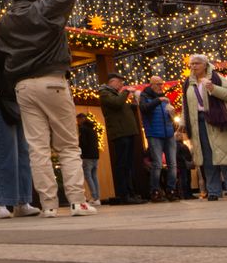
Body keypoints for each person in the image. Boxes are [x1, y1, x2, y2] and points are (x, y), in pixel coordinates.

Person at [0, 0, 97, 218]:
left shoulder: (4, 23)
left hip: (24, 86)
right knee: (68, 146)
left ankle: (49, 205)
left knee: (37, 148)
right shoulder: (46, 9)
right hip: (53, 81)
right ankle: (77, 201)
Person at [0, 31, 40, 219]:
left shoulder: (9, 48)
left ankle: (22, 201)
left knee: (22, 152)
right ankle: (1, 201)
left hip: (17, 102)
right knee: (6, 151)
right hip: (0, 103)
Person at [181, 54, 227, 201]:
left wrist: (213, 88)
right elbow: (186, 105)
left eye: (197, 63)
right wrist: (183, 124)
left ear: (205, 64)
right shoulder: (188, 83)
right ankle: (214, 191)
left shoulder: (216, 78)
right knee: (207, 157)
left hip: (218, 121)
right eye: (191, 64)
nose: (193, 66)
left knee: (225, 154)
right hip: (198, 122)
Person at [99, 74, 145, 205]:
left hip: (128, 131)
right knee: (122, 165)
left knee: (129, 164)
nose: (121, 85)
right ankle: (124, 194)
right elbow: (116, 104)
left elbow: (124, 108)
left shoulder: (116, 94)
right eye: (120, 82)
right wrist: (126, 92)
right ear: (112, 82)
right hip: (120, 133)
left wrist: (134, 102)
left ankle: (131, 193)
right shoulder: (105, 93)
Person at [139, 76, 178, 202]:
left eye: (162, 84)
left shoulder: (164, 98)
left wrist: (173, 118)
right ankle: (155, 191)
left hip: (169, 133)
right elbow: (144, 109)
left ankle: (171, 190)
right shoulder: (145, 96)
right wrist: (158, 100)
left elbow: (168, 116)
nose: (161, 86)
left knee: (173, 164)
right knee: (157, 164)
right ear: (152, 85)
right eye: (158, 84)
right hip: (154, 134)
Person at [76, 114, 101, 206]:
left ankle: (94, 197)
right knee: (94, 176)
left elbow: (83, 143)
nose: (77, 122)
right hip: (95, 155)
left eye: (78, 120)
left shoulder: (83, 129)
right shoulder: (92, 128)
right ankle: (97, 197)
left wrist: (80, 151)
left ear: (81, 119)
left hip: (87, 156)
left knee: (88, 176)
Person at [174, 128, 195, 199]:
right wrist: (185, 159)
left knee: (187, 179)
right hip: (182, 165)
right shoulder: (178, 145)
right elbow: (178, 155)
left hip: (184, 165)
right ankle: (186, 194)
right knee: (185, 180)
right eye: (179, 135)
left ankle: (188, 194)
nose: (181, 136)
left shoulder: (180, 145)